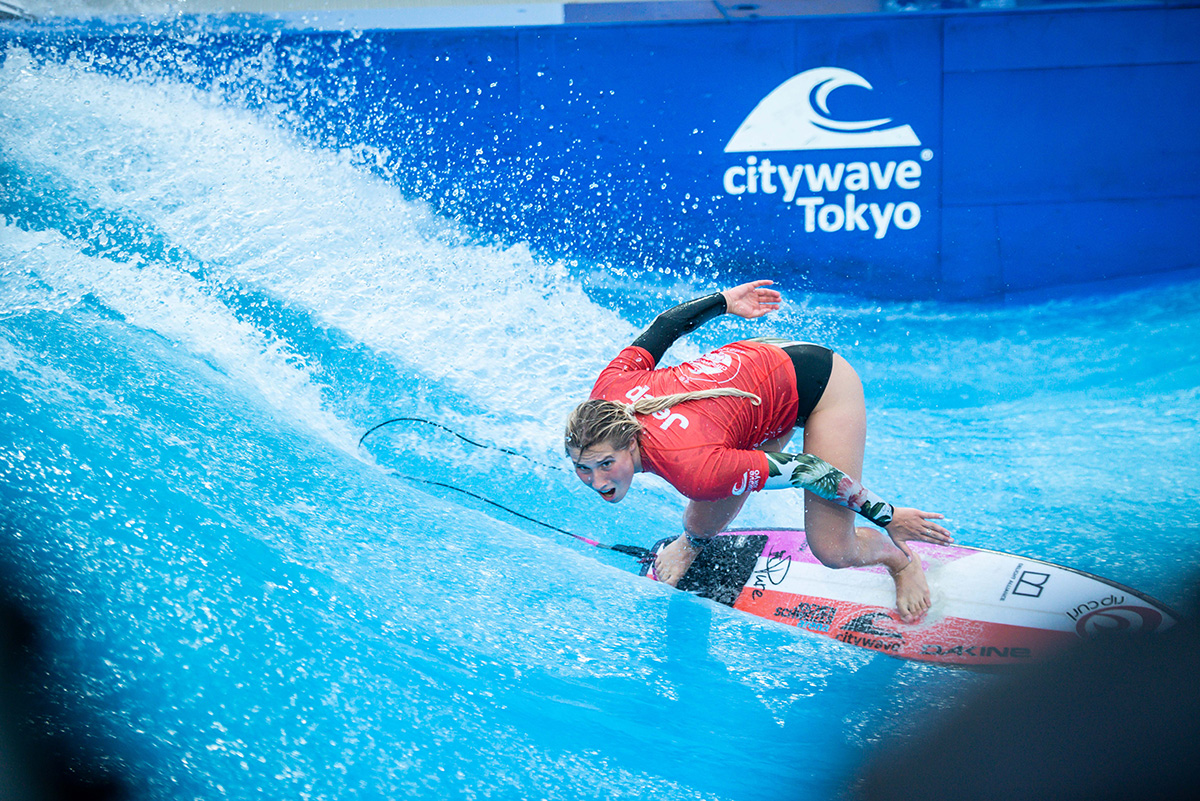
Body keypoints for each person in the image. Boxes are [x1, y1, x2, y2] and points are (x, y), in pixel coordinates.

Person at [564, 280, 952, 622]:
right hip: (758, 371)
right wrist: (723, 301)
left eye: (605, 464)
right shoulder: (606, 394)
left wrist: (886, 515)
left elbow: (808, 470)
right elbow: (664, 327)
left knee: (832, 549)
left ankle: (900, 561)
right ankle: (690, 545)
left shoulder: (691, 464)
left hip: (820, 386)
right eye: (584, 468)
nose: (596, 481)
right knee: (708, 501)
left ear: (630, 441)